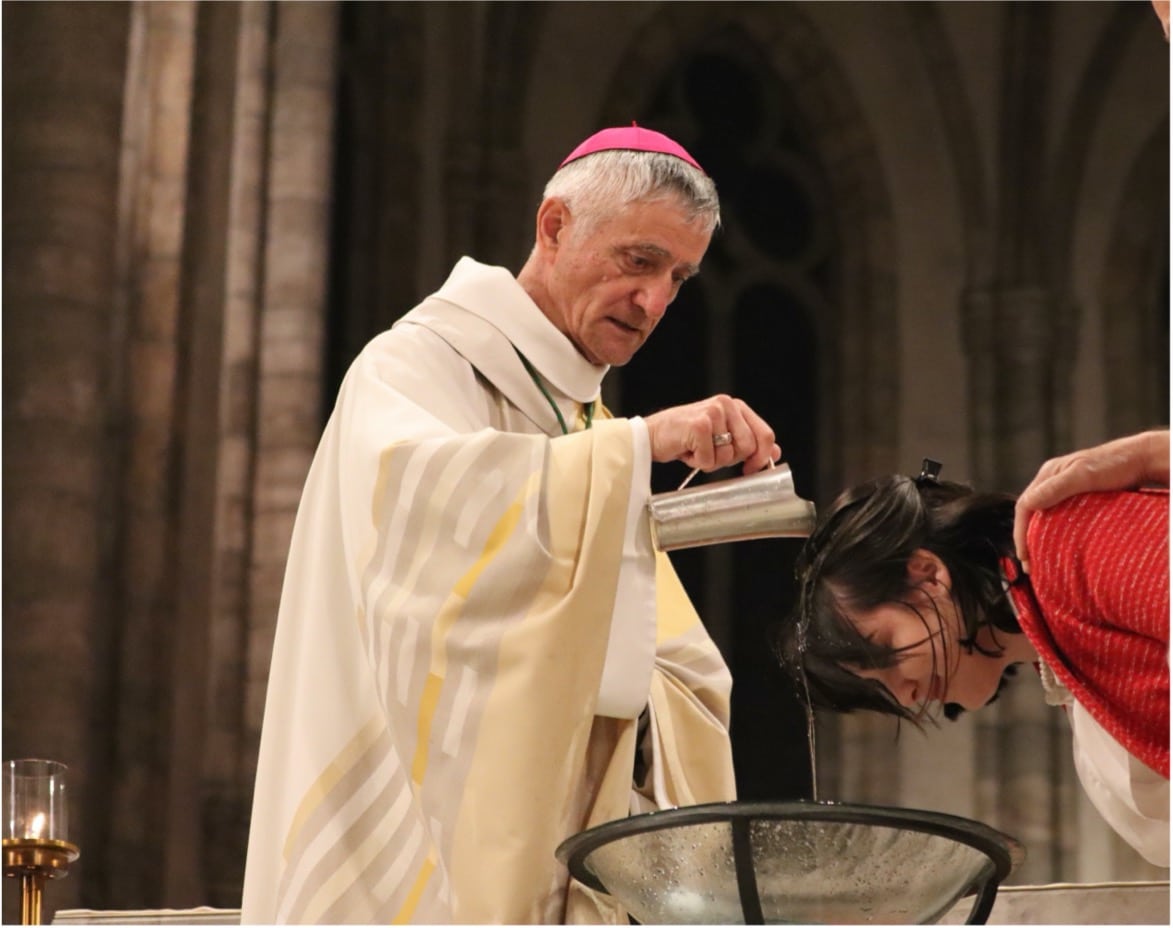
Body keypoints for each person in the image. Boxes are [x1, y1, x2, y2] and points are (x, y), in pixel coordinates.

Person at [241, 125, 782, 924]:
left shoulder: (581, 425)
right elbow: (424, 534)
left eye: (679, 277)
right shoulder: (417, 365)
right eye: (638, 261)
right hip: (411, 844)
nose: (656, 302)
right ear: (554, 226)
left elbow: (668, 661)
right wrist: (639, 445)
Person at [776, 460, 1169, 867]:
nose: (905, 694)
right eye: (880, 687)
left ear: (928, 575)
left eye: (886, 649)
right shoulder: (1057, 657)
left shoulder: (1069, 540)